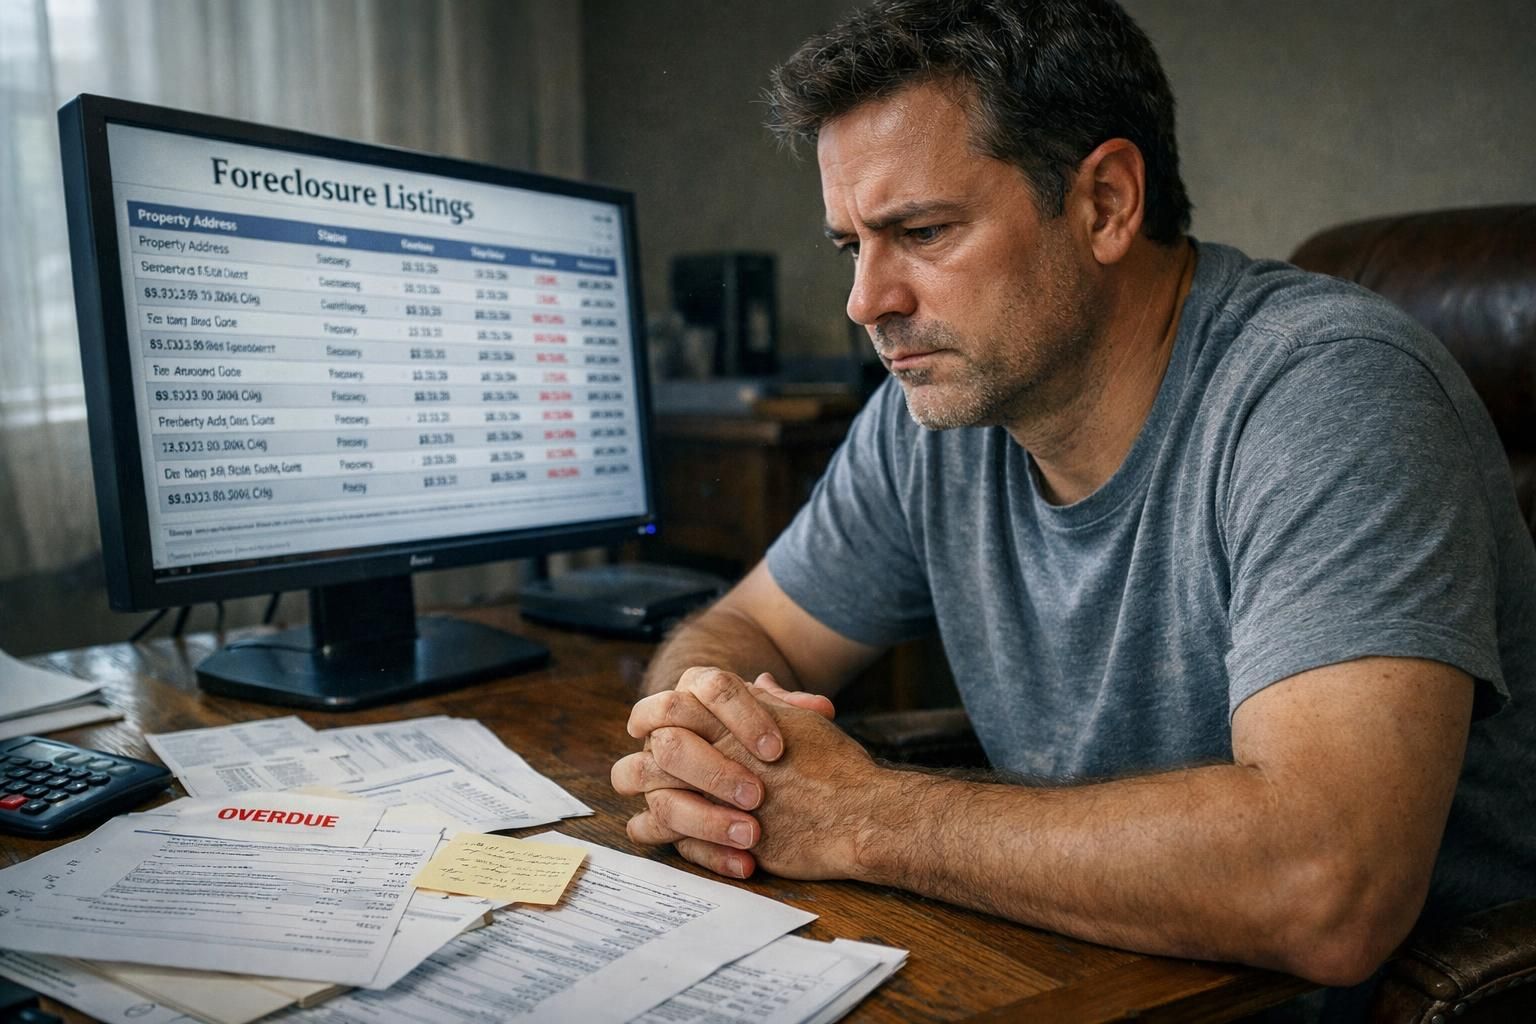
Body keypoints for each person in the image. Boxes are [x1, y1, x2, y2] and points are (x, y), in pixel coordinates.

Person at [610, 0, 1536, 1001]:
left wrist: (855, 812)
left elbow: (1328, 887)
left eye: (920, 232)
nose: (866, 301)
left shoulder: (1331, 391)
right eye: (850, 246)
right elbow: (749, 624)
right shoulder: (937, 412)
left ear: (1104, 203)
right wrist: (701, 731)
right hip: (1096, 983)